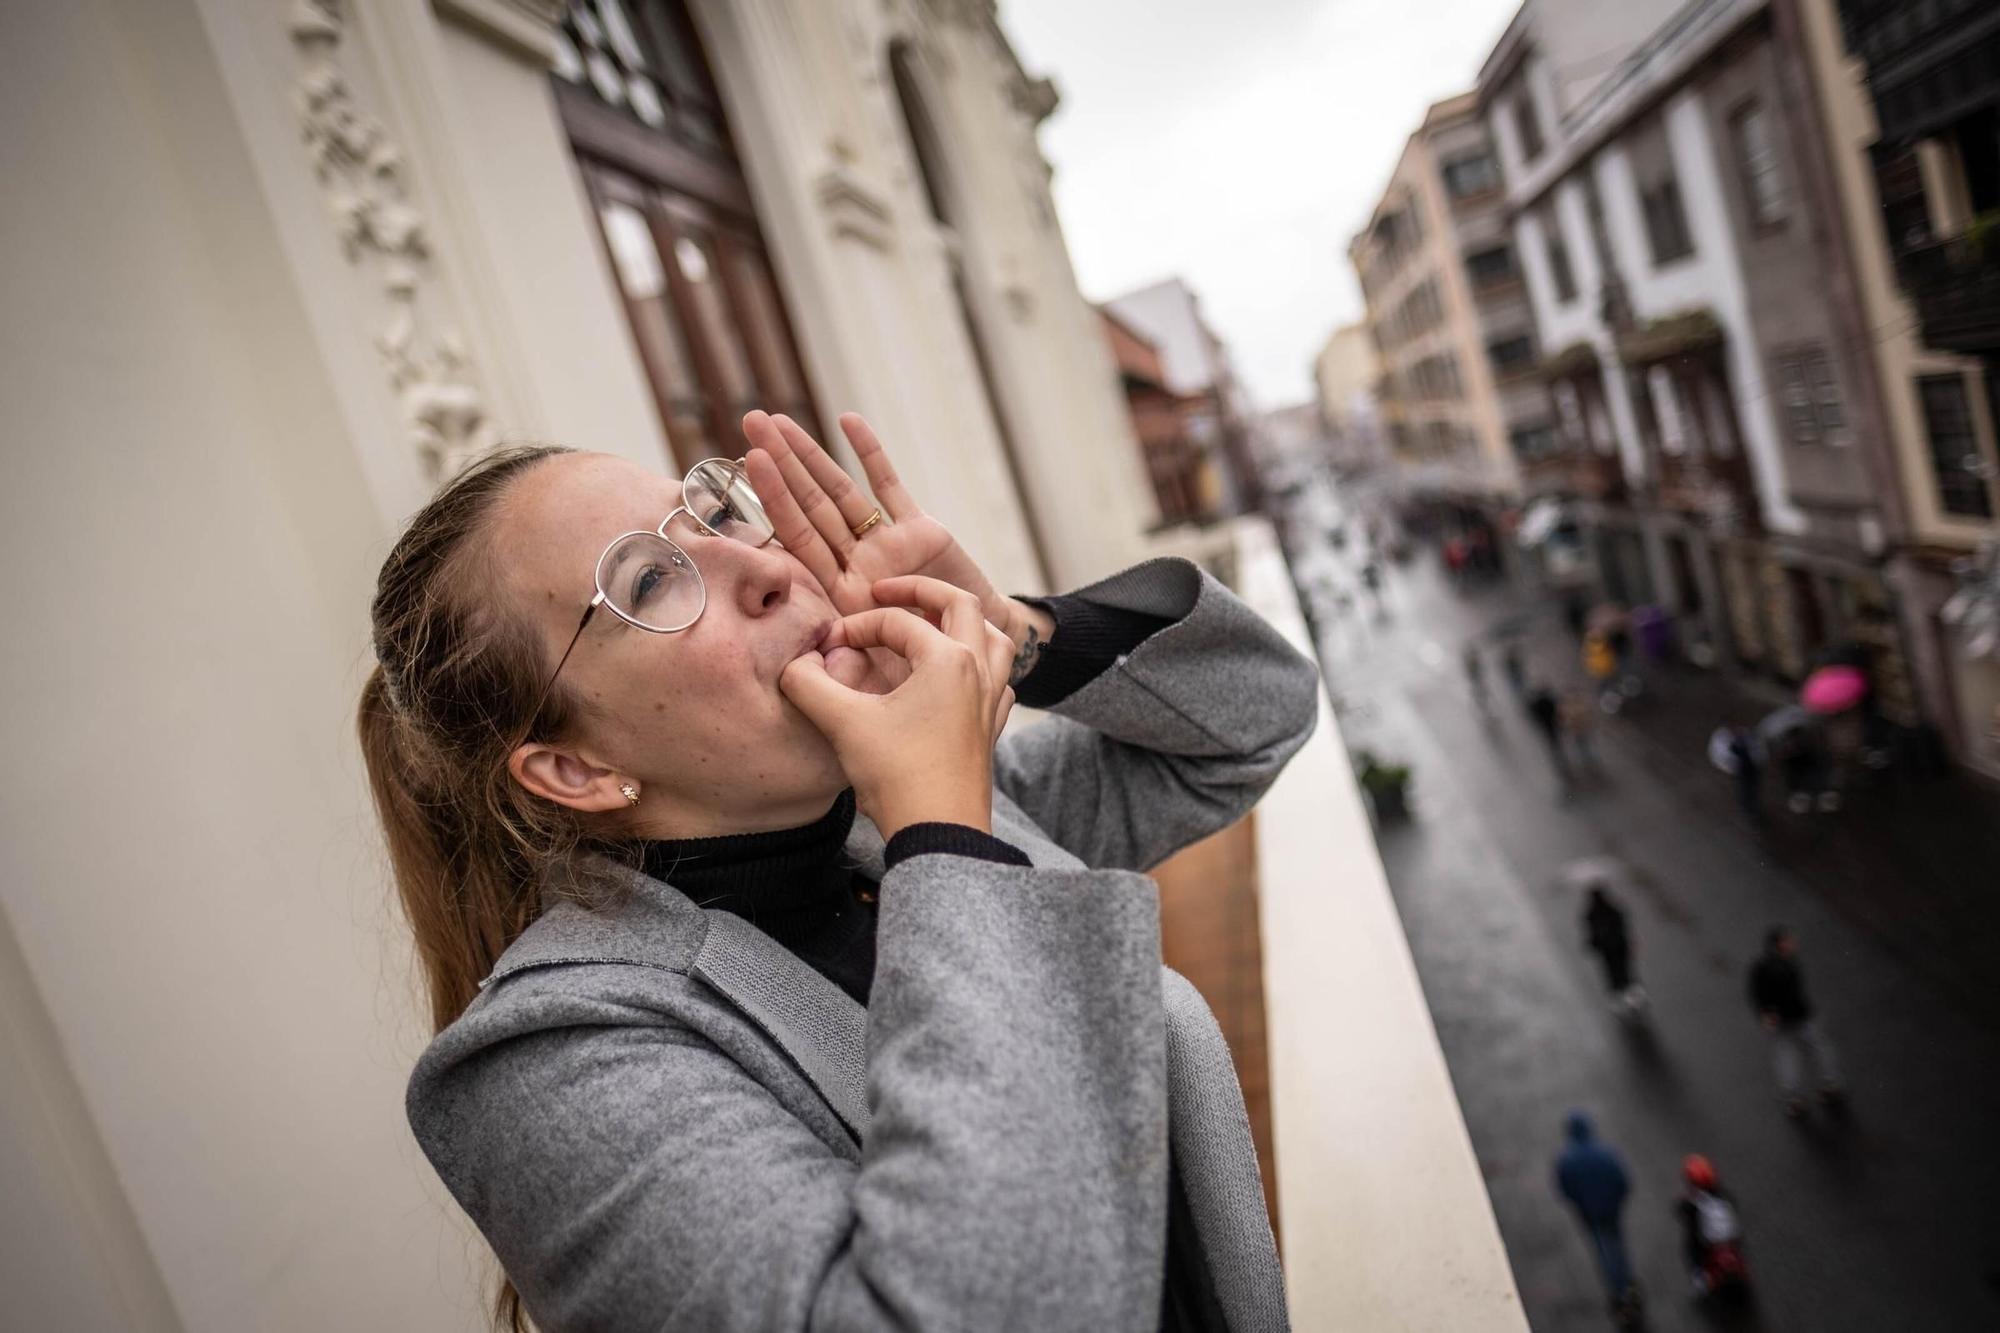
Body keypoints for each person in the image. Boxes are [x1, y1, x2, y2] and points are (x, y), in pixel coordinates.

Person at [365, 410, 1321, 1331]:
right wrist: (943, 829)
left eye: (710, 514)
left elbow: (1253, 720)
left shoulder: (885, 831)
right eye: (653, 581)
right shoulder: (545, 1071)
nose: (766, 563)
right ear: (576, 769)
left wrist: (1013, 629)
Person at [1748, 927, 1845, 1118]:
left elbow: (1755, 994)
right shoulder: (1784, 964)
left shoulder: (1761, 965)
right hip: (1797, 1017)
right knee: (1817, 1048)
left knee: (1787, 1056)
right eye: (1788, 940)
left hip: (1780, 1020)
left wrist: (1765, 1014)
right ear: (1779, 944)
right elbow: (1788, 994)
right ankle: (1830, 1085)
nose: (1793, 943)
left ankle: (1795, 1098)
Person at [1554, 1110, 1641, 1318]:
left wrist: (1581, 1205)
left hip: (1590, 1215)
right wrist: (1616, 1202)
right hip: (1611, 1210)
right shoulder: (1605, 1153)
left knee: (1603, 1250)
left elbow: (1566, 1189)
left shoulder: (1567, 1160)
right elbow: (1622, 1181)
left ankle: (1619, 1292)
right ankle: (1628, 1283)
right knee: (1618, 1245)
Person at [1675, 1155, 1749, 1300]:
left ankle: (1699, 1278)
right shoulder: (1725, 1196)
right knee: (1737, 1245)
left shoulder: (1693, 1203)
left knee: (1691, 1247)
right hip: (1731, 1238)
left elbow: (1680, 1210)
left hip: (1709, 1243)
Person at [1583, 884, 1644, 1012]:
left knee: (1612, 972)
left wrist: (1593, 944)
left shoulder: (1590, 914)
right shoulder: (1613, 909)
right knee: (1624, 970)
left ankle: (1619, 999)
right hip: (1619, 946)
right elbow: (1623, 925)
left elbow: (1591, 933)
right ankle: (1634, 997)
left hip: (1606, 949)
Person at [1526, 683, 1570, 784]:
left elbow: (1535, 714)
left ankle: (1558, 757)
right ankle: (1560, 757)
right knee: (1556, 741)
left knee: (1552, 742)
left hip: (1546, 726)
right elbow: (1556, 711)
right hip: (1552, 724)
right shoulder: (1549, 701)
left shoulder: (1537, 703)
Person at [1464, 643, 1490, 714]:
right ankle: (1482, 706)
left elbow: (1477, 670)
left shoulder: (1472, 661)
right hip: (1476, 679)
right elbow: (1472, 671)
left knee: (1480, 689)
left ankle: (1483, 705)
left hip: (1477, 679)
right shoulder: (1471, 661)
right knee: (1479, 689)